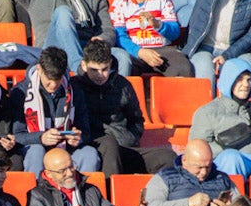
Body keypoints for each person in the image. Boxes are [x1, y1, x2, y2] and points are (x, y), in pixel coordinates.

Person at [72, 41, 176, 176]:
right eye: (94, 70)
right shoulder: (75, 87)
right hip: (94, 146)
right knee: (109, 144)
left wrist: (131, 138)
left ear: (110, 64)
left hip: (124, 146)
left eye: (104, 69)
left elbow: (136, 119)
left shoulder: (122, 85)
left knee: (168, 157)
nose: (100, 75)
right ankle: (110, 193)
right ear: (84, 65)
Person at [10, 48, 100, 174]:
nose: (52, 86)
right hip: (34, 148)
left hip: (66, 149)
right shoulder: (20, 93)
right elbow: (17, 136)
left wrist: (78, 138)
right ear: (39, 69)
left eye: (57, 81)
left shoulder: (75, 90)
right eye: (49, 81)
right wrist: (40, 138)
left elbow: (85, 131)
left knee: (89, 154)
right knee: (36, 151)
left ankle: (83, 192)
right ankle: (35, 192)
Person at [27, 147, 144, 206]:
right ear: (48, 174)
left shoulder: (90, 190)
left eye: (71, 167)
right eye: (62, 171)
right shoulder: (38, 195)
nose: (69, 173)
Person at [189, 59, 251, 179]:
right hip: (231, 160)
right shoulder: (207, 112)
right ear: (228, 80)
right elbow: (196, 149)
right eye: (239, 79)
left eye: (249, 80)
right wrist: (226, 144)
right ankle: (233, 197)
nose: (246, 84)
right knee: (232, 157)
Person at [110, 0, 192, 77]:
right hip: (134, 52)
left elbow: (174, 32)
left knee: (183, 66)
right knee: (122, 65)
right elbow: (119, 37)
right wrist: (140, 52)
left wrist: (158, 24)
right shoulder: (119, 3)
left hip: (162, 50)